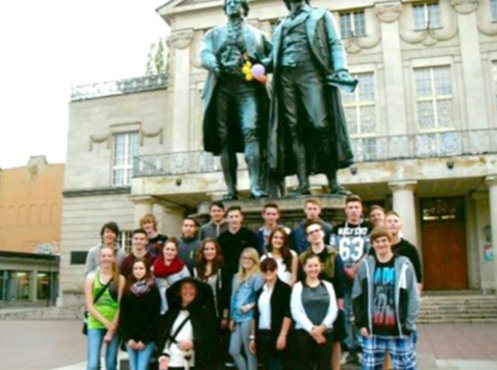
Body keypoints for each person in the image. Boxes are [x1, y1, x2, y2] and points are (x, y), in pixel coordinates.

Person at [267, 0, 357, 196]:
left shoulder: (321, 15)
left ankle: (333, 181)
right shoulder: (281, 24)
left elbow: (335, 44)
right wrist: (250, 63)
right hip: (285, 78)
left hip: (311, 73)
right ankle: (302, 183)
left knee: (320, 124)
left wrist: (340, 68)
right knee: (293, 128)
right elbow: (272, 58)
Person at [200, 0, 271, 199]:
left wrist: (260, 67)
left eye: (236, 2)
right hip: (222, 87)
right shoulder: (213, 34)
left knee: (251, 130)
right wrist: (215, 65)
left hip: (246, 88)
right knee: (225, 139)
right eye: (228, 2)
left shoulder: (258, 35)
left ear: (244, 8)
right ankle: (231, 189)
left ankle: (256, 186)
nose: (232, 4)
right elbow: (204, 54)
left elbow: (273, 57)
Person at [352, 227, 420, 370]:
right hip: (373, 330)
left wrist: (408, 324)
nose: (381, 244)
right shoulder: (365, 266)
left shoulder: (404, 265)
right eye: (377, 241)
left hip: (399, 330)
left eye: (384, 240)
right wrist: (361, 323)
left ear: (390, 242)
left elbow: (413, 296)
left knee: (406, 367)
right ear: (373, 244)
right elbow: (357, 296)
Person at [329, 194, 372, 364]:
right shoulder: (337, 229)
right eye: (350, 207)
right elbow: (333, 251)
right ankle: (348, 347)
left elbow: (369, 250)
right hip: (343, 275)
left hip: (361, 276)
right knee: (345, 312)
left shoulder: (368, 228)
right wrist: (345, 269)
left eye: (356, 207)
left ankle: (361, 347)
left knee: (360, 312)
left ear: (361, 210)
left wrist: (355, 268)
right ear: (345, 210)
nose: (353, 210)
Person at [299, 220, 346, 370]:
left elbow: (340, 278)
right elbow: (301, 279)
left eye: (317, 231)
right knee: (312, 334)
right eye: (311, 232)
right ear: (307, 237)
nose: (315, 234)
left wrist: (340, 300)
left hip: (331, 300)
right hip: (311, 300)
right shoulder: (304, 256)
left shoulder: (333, 254)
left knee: (335, 338)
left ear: (323, 233)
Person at [157, 278, 218, 370]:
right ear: (179, 292)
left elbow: (210, 338)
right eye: (184, 288)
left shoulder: (203, 314)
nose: (188, 291)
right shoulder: (171, 313)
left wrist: (194, 343)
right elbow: (165, 336)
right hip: (172, 361)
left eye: (191, 288)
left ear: (196, 291)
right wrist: (163, 356)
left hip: (193, 362)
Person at [291, 253, 338, 370]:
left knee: (324, 366)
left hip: (326, 333)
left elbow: (333, 309)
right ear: (304, 268)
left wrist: (321, 328)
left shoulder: (328, 286)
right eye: (310, 266)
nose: (313, 269)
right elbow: (296, 312)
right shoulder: (298, 287)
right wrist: (313, 331)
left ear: (320, 267)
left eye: (316, 265)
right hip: (304, 334)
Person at [84, 245, 125, 370]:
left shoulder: (120, 279)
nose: (106, 258)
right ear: (99, 258)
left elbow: (120, 305)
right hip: (95, 323)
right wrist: (107, 324)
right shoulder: (91, 277)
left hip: (114, 324)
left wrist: (112, 328)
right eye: (103, 256)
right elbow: (89, 305)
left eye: (109, 256)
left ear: (114, 259)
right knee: (93, 365)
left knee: (111, 363)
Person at [194, 238, 231, 368]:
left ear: (217, 251)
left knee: (215, 348)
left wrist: (225, 316)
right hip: (199, 313)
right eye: (206, 249)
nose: (209, 252)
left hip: (216, 313)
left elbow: (226, 293)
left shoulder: (222, 268)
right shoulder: (197, 267)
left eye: (212, 249)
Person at [249, 258, 292, 370]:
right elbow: (255, 315)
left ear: (276, 270)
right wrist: (252, 337)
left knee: (277, 365)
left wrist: (283, 335)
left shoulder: (284, 289)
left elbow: (287, 313)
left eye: (271, 269)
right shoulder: (260, 291)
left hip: (276, 333)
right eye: (264, 269)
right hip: (262, 334)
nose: (268, 272)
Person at [119, 258, 161, 370]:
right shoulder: (128, 289)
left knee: (142, 368)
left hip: (147, 339)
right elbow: (123, 315)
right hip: (131, 338)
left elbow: (155, 317)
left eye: (141, 268)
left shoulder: (152, 289)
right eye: (135, 268)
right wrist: (128, 338)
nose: (138, 271)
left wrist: (145, 340)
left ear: (146, 270)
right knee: (134, 367)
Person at [229, 248, 263, 370]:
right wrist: (231, 317)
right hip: (236, 317)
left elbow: (261, 297)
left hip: (249, 317)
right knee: (233, 350)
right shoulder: (236, 276)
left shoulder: (257, 277)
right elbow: (233, 298)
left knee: (249, 350)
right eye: (244, 258)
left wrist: (250, 306)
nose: (246, 260)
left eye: (250, 258)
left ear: (255, 261)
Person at [385, 211, 423, 294]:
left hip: (404, 294)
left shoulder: (410, 249)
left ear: (400, 225)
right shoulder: (378, 248)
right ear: (384, 225)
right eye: (389, 221)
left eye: (395, 221)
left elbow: (417, 276)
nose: (392, 223)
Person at [218, 206, 259, 279]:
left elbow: (256, 254)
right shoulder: (222, 238)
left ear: (241, 218)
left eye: (236, 216)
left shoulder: (250, 235)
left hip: (247, 273)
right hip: (227, 274)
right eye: (231, 217)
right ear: (226, 219)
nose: (234, 219)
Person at [153, 238, 191, 315]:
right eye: (167, 249)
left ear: (176, 252)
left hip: (178, 308)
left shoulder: (182, 267)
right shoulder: (154, 266)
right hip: (159, 309)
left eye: (172, 250)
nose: (169, 252)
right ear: (163, 250)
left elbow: (188, 288)